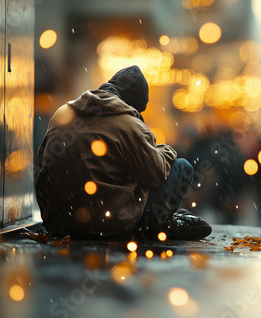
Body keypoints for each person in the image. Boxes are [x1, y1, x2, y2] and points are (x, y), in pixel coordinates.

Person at [35, 65, 211, 240]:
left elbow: (42, 160)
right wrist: (166, 150)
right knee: (182, 167)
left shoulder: (64, 113)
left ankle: (163, 223)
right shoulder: (129, 124)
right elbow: (155, 176)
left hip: (58, 222)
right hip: (106, 225)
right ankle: (149, 228)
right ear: (136, 104)